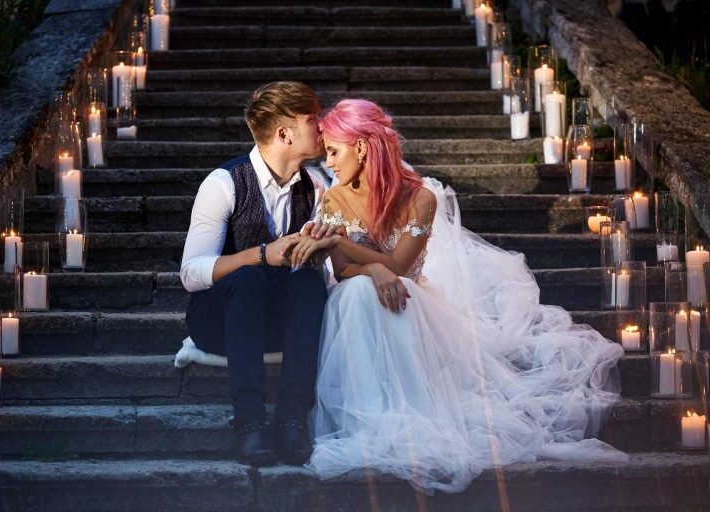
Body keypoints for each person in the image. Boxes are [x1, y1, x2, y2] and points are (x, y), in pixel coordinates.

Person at [289, 99, 627, 494]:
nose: (328, 161)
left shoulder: (421, 199)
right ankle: (369, 417)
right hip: (358, 305)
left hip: (410, 307)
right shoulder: (333, 199)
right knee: (358, 291)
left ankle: (403, 414)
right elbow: (343, 270)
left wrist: (345, 244)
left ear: (362, 147)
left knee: (389, 290)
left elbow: (399, 265)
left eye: (334, 150)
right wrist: (370, 267)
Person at [180, 81, 328, 467]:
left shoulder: (315, 188)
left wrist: (318, 253)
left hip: (277, 321)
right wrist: (261, 255)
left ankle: (293, 418)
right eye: (313, 120)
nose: (323, 127)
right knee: (246, 278)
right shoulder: (223, 183)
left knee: (310, 282)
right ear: (284, 133)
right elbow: (191, 273)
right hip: (221, 321)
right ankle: (249, 424)